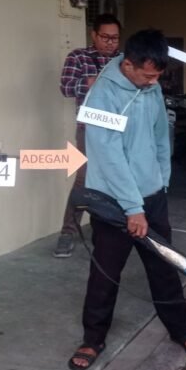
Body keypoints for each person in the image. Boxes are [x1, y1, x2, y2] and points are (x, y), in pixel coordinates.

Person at [67, 29, 186, 370]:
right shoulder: (101, 95)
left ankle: (181, 329)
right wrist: (133, 208)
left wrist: (163, 181)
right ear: (127, 65)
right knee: (106, 271)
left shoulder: (152, 87)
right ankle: (93, 338)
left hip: (152, 194)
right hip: (113, 200)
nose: (152, 82)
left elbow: (162, 133)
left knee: (165, 265)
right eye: (147, 76)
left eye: (157, 76)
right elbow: (108, 153)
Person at [54, 14, 123, 258]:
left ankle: (115, 231)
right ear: (94, 35)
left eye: (115, 38)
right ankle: (67, 233)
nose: (110, 43)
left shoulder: (124, 61)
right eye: (105, 37)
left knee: (118, 177)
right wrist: (95, 82)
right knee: (83, 180)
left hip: (119, 128)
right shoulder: (79, 57)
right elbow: (66, 86)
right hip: (89, 127)